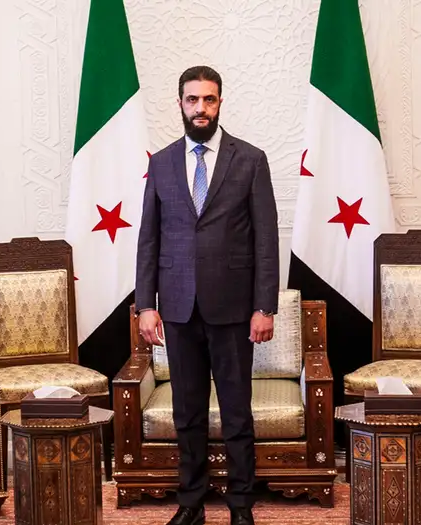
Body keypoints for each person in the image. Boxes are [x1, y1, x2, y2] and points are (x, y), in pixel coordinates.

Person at [136, 65, 278, 525]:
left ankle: (241, 506)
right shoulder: (161, 162)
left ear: (220, 103)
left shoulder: (250, 159)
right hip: (177, 308)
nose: (201, 108)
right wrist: (145, 305)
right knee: (188, 412)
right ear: (180, 103)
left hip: (234, 308)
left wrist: (265, 306)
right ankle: (191, 503)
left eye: (209, 99)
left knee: (236, 412)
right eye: (192, 99)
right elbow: (149, 239)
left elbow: (266, 240)